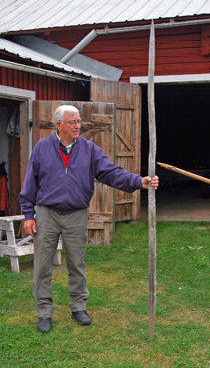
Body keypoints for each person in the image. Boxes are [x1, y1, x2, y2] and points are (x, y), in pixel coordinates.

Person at [19, 105, 159, 333]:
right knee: (42, 265)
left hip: (76, 214)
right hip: (46, 213)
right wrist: (28, 215)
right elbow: (30, 183)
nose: (77, 126)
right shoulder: (42, 148)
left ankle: (78, 307)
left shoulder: (89, 149)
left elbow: (110, 172)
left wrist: (137, 181)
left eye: (78, 121)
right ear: (59, 125)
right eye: (72, 122)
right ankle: (44, 311)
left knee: (77, 263)